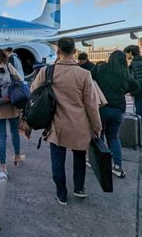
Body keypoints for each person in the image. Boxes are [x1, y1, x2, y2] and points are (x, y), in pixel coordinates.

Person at [31, 37, 102, 205]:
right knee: (79, 157)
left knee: (57, 160)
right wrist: (97, 126)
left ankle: (61, 193)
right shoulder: (84, 74)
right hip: (80, 124)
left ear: (58, 52)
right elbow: (91, 104)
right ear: (74, 52)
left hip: (56, 125)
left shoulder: (47, 71)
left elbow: (34, 91)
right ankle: (79, 188)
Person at [91, 51, 139, 178]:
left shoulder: (101, 68)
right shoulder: (125, 73)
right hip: (118, 109)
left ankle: (99, 161)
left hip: (102, 107)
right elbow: (136, 86)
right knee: (113, 137)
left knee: (98, 134)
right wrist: (123, 90)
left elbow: (88, 78)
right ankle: (117, 166)